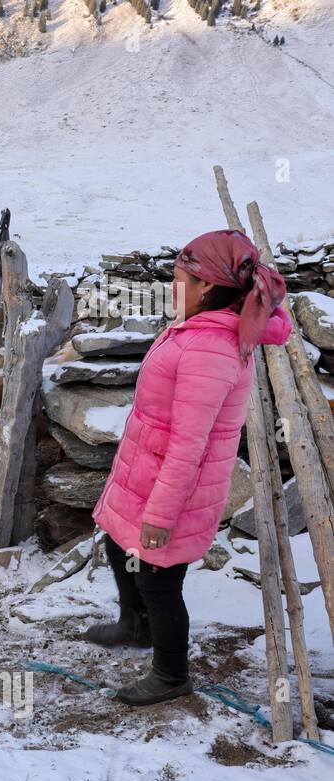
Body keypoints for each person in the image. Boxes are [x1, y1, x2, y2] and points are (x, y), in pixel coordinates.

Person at [87, 229, 291, 706]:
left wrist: (161, 513)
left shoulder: (211, 348)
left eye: (179, 278)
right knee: (119, 545)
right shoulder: (199, 325)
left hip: (174, 483)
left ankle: (171, 674)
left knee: (159, 581)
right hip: (145, 471)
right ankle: (133, 627)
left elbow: (189, 444)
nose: (171, 286)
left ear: (205, 286)